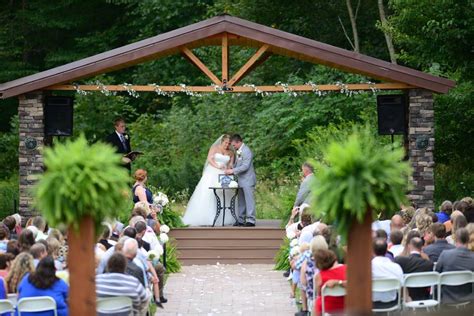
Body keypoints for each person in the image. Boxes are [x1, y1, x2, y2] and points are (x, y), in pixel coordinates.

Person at [182, 134, 236, 226]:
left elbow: (231, 164)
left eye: (229, 143)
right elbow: (210, 159)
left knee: (224, 194)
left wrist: (229, 168)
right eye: (226, 143)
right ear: (222, 141)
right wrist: (218, 166)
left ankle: (223, 218)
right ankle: (206, 217)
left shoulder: (231, 152)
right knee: (208, 193)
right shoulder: (214, 148)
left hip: (224, 174)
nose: (227, 145)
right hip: (212, 172)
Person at [225, 134, 257, 227]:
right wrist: (232, 166)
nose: (233, 147)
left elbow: (245, 166)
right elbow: (239, 164)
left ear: (238, 142)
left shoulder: (247, 151)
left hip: (248, 180)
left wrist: (232, 171)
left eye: (234, 145)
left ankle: (251, 220)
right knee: (241, 201)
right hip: (240, 180)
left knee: (249, 200)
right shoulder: (238, 151)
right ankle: (241, 220)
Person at [436, 228, 474, 303]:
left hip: (447, 298)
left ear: (455, 239)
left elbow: (437, 274)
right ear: (468, 239)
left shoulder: (445, 254)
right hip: (469, 299)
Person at [371, 238, 403, 309]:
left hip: (372, 302)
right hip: (392, 302)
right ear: (386, 251)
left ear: (372, 251)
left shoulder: (367, 267)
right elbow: (401, 284)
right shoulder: (396, 267)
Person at [314, 249, 346, 316]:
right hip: (347, 305)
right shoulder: (347, 269)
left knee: (317, 301)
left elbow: (319, 293)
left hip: (328, 309)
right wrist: (339, 282)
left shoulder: (319, 276)